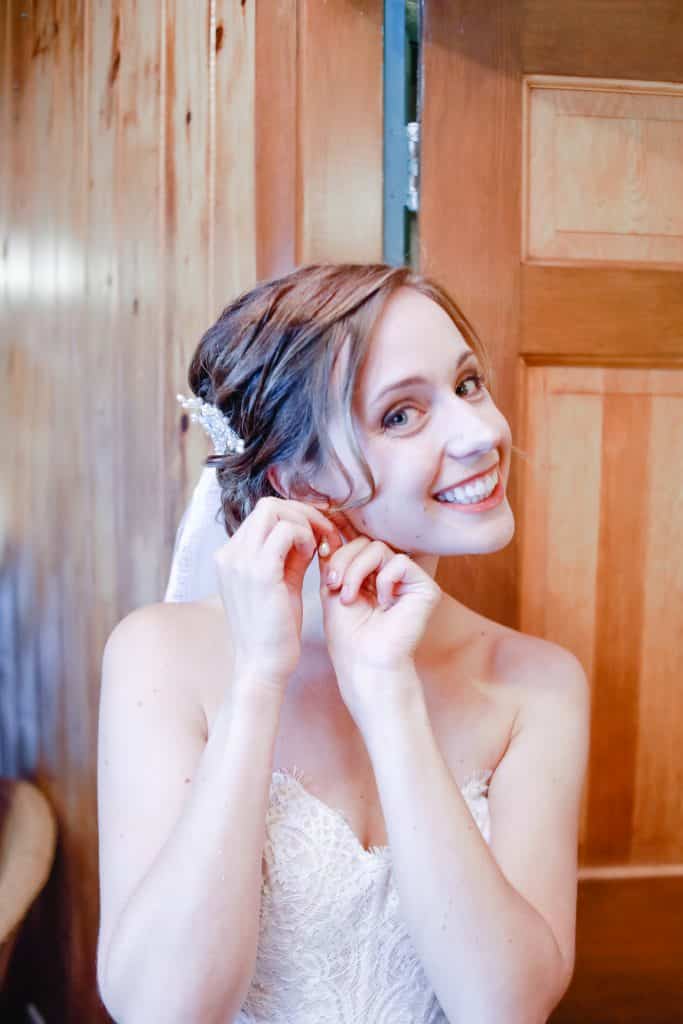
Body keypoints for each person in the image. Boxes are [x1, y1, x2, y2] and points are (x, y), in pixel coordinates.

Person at [96, 264, 590, 1023]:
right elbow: (162, 1009)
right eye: (400, 415)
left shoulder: (538, 684)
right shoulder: (158, 657)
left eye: (466, 384)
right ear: (299, 481)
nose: (483, 432)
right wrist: (258, 680)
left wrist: (388, 697)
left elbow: (504, 1008)